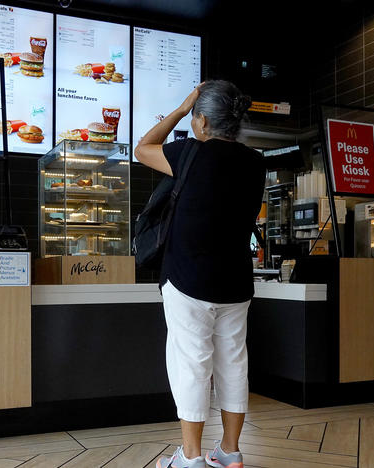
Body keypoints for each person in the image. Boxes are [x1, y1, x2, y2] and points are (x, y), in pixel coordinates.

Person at [135, 80, 265, 468]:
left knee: (191, 362)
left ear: (202, 121)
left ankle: (190, 458)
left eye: (194, 117)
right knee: (233, 362)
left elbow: (142, 148)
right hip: (236, 281)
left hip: (188, 278)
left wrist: (179, 108)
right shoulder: (256, 162)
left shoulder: (189, 152)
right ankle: (229, 452)